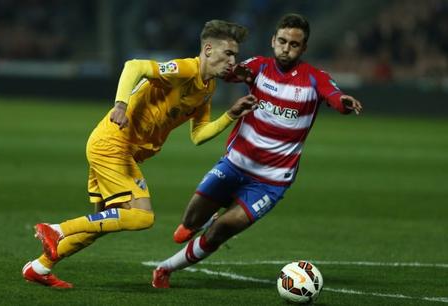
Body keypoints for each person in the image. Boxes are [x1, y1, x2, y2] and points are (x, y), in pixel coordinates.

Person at [22, 19, 257, 288]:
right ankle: (57, 229)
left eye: (235, 55)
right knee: (141, 216)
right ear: (207, 50)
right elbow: (135, 66)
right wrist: (120, 106)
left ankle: (40, 267)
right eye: (228, 53)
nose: (233, 60)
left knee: (99, 223)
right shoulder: (185, 69)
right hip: (113, 145)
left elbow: (199, 135)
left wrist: (230, 115)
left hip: (119, 149)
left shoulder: (206, 89)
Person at [152, 13, 363, 288]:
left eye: (294, 44)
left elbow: (334, 97)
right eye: (282, 41)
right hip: (235, 163)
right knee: (188, 223)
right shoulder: (259, 66)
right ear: (273, 40)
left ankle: (165, 269)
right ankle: (201, 220)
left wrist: (342, 103)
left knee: (221, 230)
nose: (287, 48)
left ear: (304, 49)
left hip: (271, 180)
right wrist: (235, 73)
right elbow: (233, 72)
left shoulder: (315, 78)